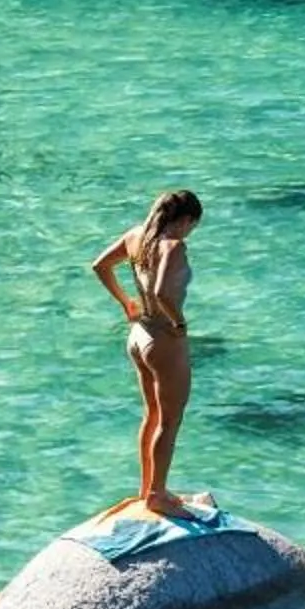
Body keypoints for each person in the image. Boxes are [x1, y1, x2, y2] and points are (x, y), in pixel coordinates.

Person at [91, 187, 204, 519]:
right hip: (164, 339)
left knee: (152, 414)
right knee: (170, 421)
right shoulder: (174, 246)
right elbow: (160, 291)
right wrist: (178, 322)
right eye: (192, 225)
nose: (190, 232)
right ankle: (157, 495)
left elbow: (100, 266)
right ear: (185, 220)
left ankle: (147, 488)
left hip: (138, 335)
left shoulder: (136, 237)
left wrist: (126, 302)